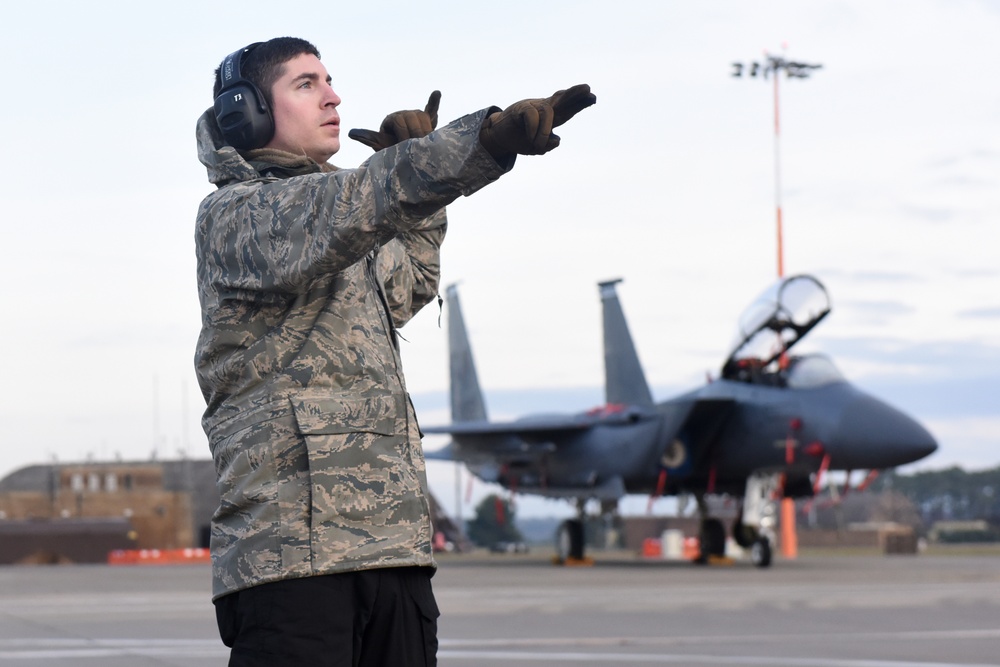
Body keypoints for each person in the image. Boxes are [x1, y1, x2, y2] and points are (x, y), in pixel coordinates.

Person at [194, 36, 595, 666]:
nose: (333, 96)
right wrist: (478, 143)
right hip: (294, 560)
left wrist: (422, 193)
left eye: (329, 79)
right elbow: (353, 205)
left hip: (392, 549)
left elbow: (409, 281)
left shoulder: (345, 216)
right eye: (306, 84)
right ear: (249, 113)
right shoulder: (238, 216)